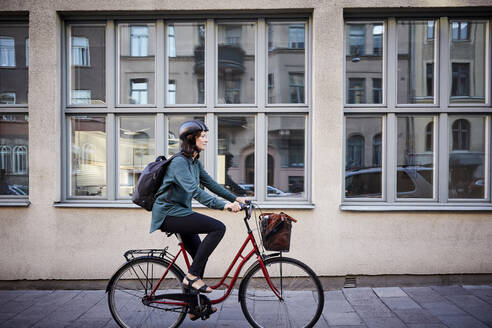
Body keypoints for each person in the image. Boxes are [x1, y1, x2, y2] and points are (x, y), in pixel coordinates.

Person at [150, 120, 247, 319]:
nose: (206, 139)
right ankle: (192, 278)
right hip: (169, 215)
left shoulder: (194, 161)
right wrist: (223, 206)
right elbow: (194, 191)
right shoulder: (179, 162)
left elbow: (210, 184)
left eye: (205, 135)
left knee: (199, 257)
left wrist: (235, 198)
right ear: (190, 139)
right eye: (202, 136)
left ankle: (193, 308)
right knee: (217, 228)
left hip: (181, 213)